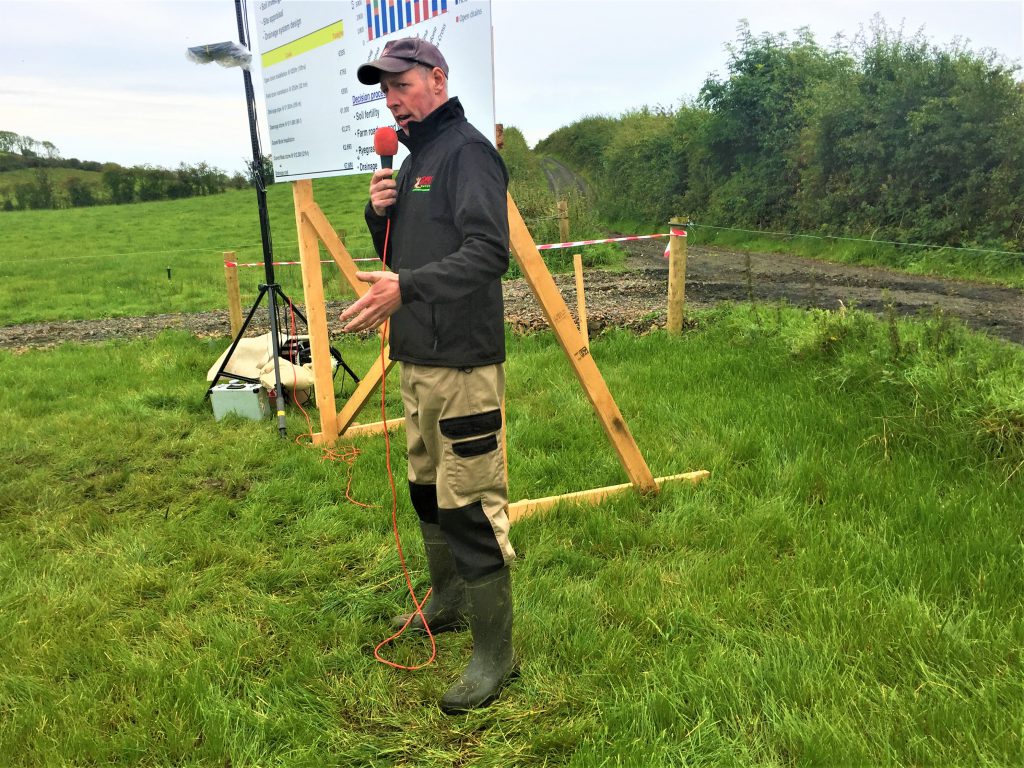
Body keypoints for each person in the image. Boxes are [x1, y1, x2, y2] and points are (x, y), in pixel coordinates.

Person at [339, 37, 515, 714]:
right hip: (417, 357)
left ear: (437, 81)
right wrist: (379, 214)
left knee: (469, 503)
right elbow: (402, 256)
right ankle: (445, 598)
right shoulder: (415, 161)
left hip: (464, 362)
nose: (391, 99)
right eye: (384, 90)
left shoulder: (466, 152)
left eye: (402, 85)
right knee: (424, 490)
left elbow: (487, 254)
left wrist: (405, 289)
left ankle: (497, 655)